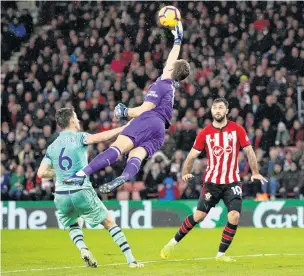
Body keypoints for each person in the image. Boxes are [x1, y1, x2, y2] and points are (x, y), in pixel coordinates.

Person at [65, 22, 190, 194]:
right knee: (135, 156)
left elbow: (143, 110)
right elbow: (173, 59)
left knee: (117, 148)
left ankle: (81, 174)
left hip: (149, 120)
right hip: (160, 132)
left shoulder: (162, 85)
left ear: (172, 69)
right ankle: (124, 177)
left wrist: (125, 112)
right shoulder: (171, 86)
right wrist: (178, 40)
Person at [160, 98, 267, 262]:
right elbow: (191, 155)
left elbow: (249, 151)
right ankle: (172, 243)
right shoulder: (205, 133)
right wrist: (186, 171)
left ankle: (220, 255)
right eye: (215, 108)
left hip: (232, 181)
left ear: (226, 111)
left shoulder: (237, 129)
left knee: (234, 216)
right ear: (211, 112)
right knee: (199, 216)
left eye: (221, 107)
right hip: (212, 182)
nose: (217, 110)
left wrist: (255, 171)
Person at [37, 107, 143, 268]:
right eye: (77, 117)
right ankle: (131, 260)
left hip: (61, 194)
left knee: (72, 223)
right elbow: (100, 137)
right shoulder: (79, 138)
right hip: (80, 190)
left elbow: (41, 173)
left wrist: (61, 173)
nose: (78, 120)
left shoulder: (52, 146)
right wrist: (123, 128)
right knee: (108, 222)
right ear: (72, 120)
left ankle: (83, 248)